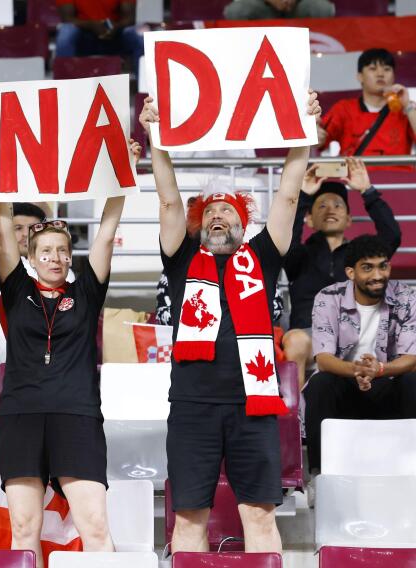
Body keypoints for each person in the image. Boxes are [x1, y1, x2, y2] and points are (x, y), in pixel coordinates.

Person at [139, 91, 320, 554]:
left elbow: (288, 194)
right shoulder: (182, 258)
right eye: (211, 211)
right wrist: (156, 137)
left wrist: (302, 134)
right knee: (189, 518)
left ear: (244, 222)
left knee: (259, 515)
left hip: (253, 409)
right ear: (201, 224)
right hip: (192, 407)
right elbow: (168, 201)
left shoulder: (262, 257)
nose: (219, 214)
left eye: (229, 210)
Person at [0, 139, 140, 566]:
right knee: (24, 529)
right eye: (45, 252)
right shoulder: (17, 289)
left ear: (69, 256)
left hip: (76, 416)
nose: (54, 258)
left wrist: (125, 171)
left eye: (61, 251)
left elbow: (107, 230)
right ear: (30, 257)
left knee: (94, 526)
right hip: (21, 416)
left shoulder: (86, 291)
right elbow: (4, 228)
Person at [282, 157, 400, 385]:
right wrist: (304, 196)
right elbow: (285, 240)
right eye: (322, 205)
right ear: (309, 219)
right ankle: (294, 418)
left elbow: (391, 236)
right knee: (295, 339)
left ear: (349, 220)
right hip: (310, 336)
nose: (330, 210)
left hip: (358, 335)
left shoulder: (362, 256)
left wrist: (367, 190)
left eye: (337, 205)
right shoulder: (298, 254)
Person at [305, 235, 416, 474]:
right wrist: (358, 370)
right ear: (351, 272)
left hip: (387, 383)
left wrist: (380, 370)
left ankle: (412, 468)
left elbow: (411, 357)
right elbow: (324, 359)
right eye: (367, 268)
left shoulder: (407, 297)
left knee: (412, 381)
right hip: (344, 386)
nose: (377, 275)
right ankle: (317, 474)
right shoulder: (328, 298)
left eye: (383, 266)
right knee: (319, 384)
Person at [0, 202, 75, 418]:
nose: (23, 235)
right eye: (17, 228)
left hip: (47, 331)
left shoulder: (60, 266)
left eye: (31, 228)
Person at [317, 49, 416, 166]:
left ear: (394, 76)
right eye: (372, 69)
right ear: (360, 77)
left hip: (398, 181)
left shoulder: (406, 111)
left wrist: (408, 106)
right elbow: (319, 141)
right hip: (354, 180)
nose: (380, 74)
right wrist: (316, 135)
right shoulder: (344, 109)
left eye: (387, 69)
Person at [55, 0, 143, 70]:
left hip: (114, 33)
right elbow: (67, 18)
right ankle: (63, 86)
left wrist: (115, 27)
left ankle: (146, 89)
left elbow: (130, 18)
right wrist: (92, 25)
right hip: (83, 35)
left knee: (137, 36)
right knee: (66, 32)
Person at [224, 0, 334, 19]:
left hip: (298, 7)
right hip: (265, 8)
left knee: (323, 8)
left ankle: (318, 48)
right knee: (235, 11)